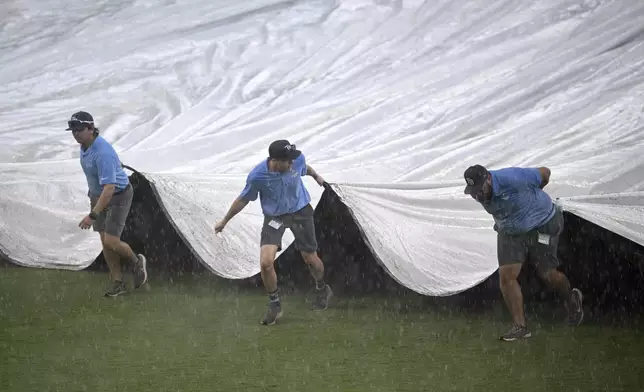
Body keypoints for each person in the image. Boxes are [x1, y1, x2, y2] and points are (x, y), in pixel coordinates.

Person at [215, 140, 333, 325]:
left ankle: (322, 288)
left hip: (301, 212)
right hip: (276, 218)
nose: (293, 163)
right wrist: (224, 221)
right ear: (276, 161)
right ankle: (275, 304)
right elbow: (243, 200)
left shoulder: (296, 160)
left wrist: (317, 177)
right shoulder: (257, 176)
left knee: (310, 259)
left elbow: (305, 168)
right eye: (288, 161)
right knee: (266, 263)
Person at [463, 164, 584, 341]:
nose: (477, 196)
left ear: (489, 179)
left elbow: (545, 172)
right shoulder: (480, 193)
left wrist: (531, 196)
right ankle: (520, 327)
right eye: (472, 192)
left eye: (479, 189)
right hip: (510, 231)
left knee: (548, 275)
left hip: (542, 223)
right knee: (506, 277)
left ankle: (571, 299)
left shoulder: (513, 178)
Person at [68, 111, 148, 297]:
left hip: (118, 195)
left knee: (112, 241)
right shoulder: (85, 145)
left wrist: (92, 215)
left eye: (79, 129)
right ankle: (118, 282)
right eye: (73, 130)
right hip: (98, 195)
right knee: (105, 242)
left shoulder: (102, 152)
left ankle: (137, 263)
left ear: (91, 129)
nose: (75, 134)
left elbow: (110, 188)